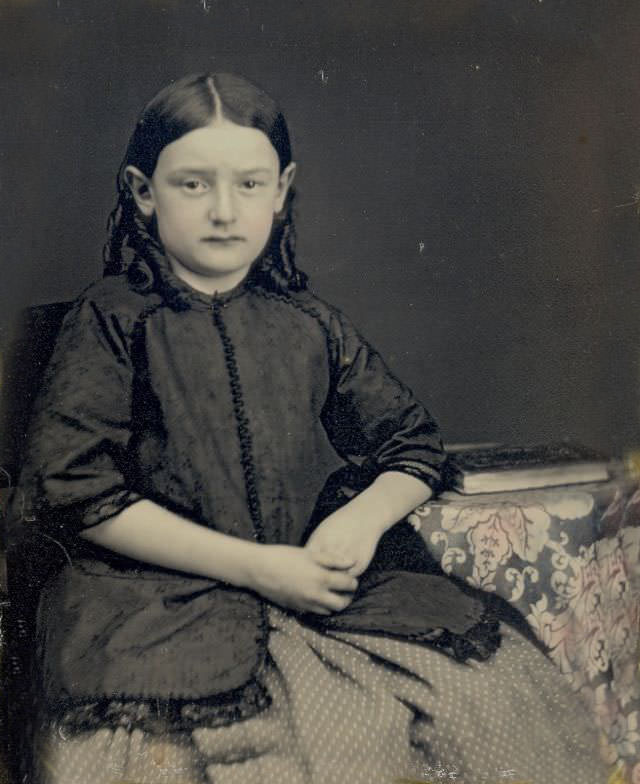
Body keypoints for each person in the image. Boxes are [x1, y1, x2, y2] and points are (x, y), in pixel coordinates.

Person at [7, 73, 609, 784]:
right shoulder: (111, 319)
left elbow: (410, 444)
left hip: (311, 586)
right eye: (193, 185)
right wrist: (261, 568)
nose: (225, 211)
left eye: (251, 184)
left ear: (283, 189)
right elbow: (75, 489)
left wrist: (359, 522)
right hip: (152, 604)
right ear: (144, 191)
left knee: (483, 699)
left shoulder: (307, 323)